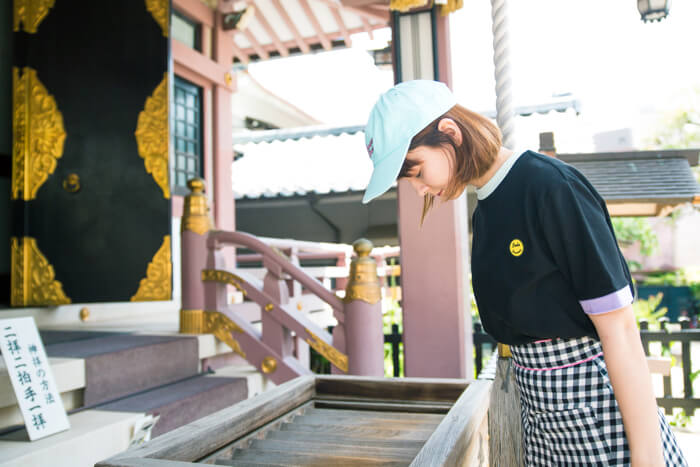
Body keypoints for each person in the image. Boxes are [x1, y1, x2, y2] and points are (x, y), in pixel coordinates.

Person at [361, 80, 688, 466]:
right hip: (543, 419)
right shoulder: (486, 209)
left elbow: (620, 329)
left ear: (450, 133)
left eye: (415, 172)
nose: (417, 189)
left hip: (599, 413)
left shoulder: (550, 187)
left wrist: (647, 460)